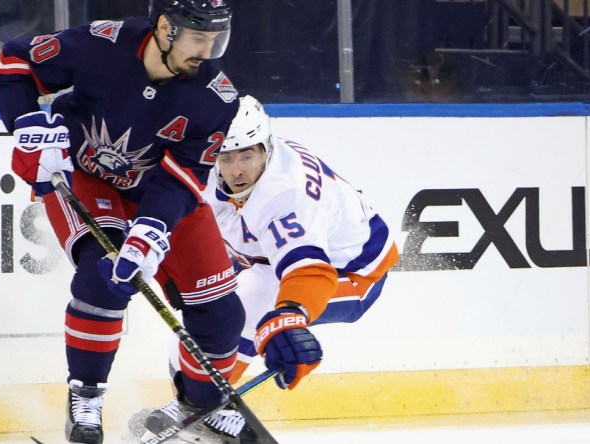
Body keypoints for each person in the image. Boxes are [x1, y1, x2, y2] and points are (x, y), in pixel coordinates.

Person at [0, 1, 247, 443]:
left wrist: (150, 231)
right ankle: (85, 400)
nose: (208, 51)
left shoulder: (216, 98)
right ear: (166, 28)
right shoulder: (103, 44)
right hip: (86, 178)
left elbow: (182, 180)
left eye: (215, 40)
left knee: (222, 313)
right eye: (199, 37)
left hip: (160, 194)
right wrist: (28, 123)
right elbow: (13, 60)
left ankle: (202, 403)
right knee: (102, 275)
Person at [142, 96, 400, 442]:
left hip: (351, 275)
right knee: (206, 317)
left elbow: (308, 270)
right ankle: (191, 401)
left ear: (266, 148)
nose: (236, 170)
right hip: (265, 261)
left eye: (247, 155)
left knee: (257, 293)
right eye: (227, 157)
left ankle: (206, 404)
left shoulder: (285, 195)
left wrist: (290, 315)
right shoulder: (204, 168)